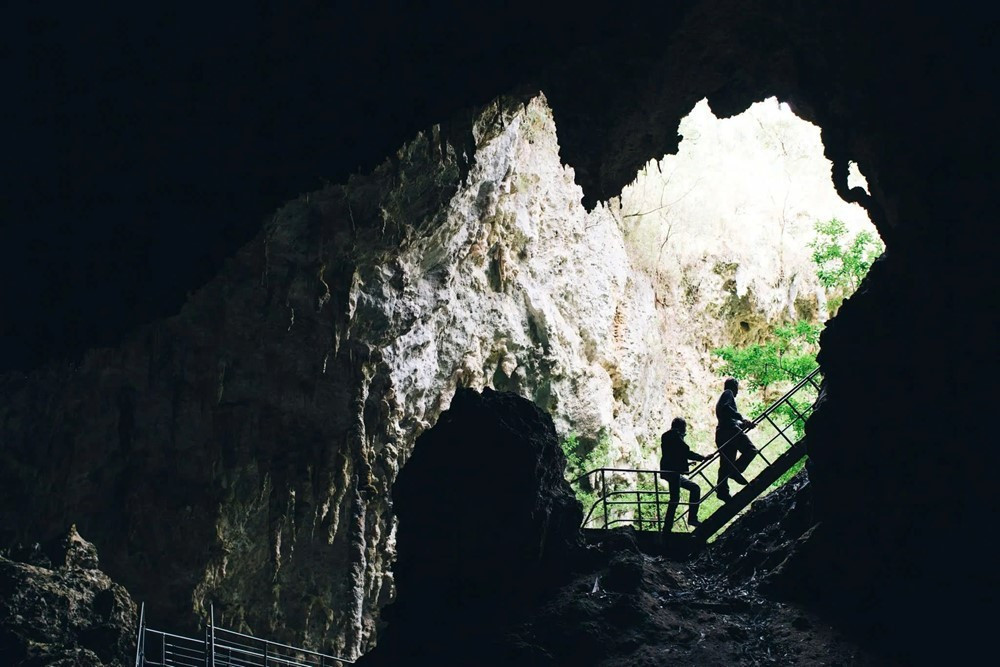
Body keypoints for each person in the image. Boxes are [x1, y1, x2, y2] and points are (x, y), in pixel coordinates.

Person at [659, 417, 706, 531]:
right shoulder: (675, 436)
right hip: (673, 472)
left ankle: (670, 526)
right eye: (684, 427)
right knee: (675, 498)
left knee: (691, 490)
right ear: (681, 426)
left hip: (670, 471)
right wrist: (702, 458)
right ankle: (671, 527)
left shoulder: (668, 436)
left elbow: (674, 454)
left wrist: (687, 464)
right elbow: (685, 451)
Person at [715, 377, 757, 501]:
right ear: (734, 387)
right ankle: (735, 471)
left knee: (725, 463)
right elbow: (727, 409)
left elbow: (726, 415)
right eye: (737, 388)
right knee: (751, 450)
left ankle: (722, 491)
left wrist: (743, 424)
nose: (737, 392)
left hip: (721, 432)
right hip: (730, 430)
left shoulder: (723, 397)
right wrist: (741, 418)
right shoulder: (728, 394)